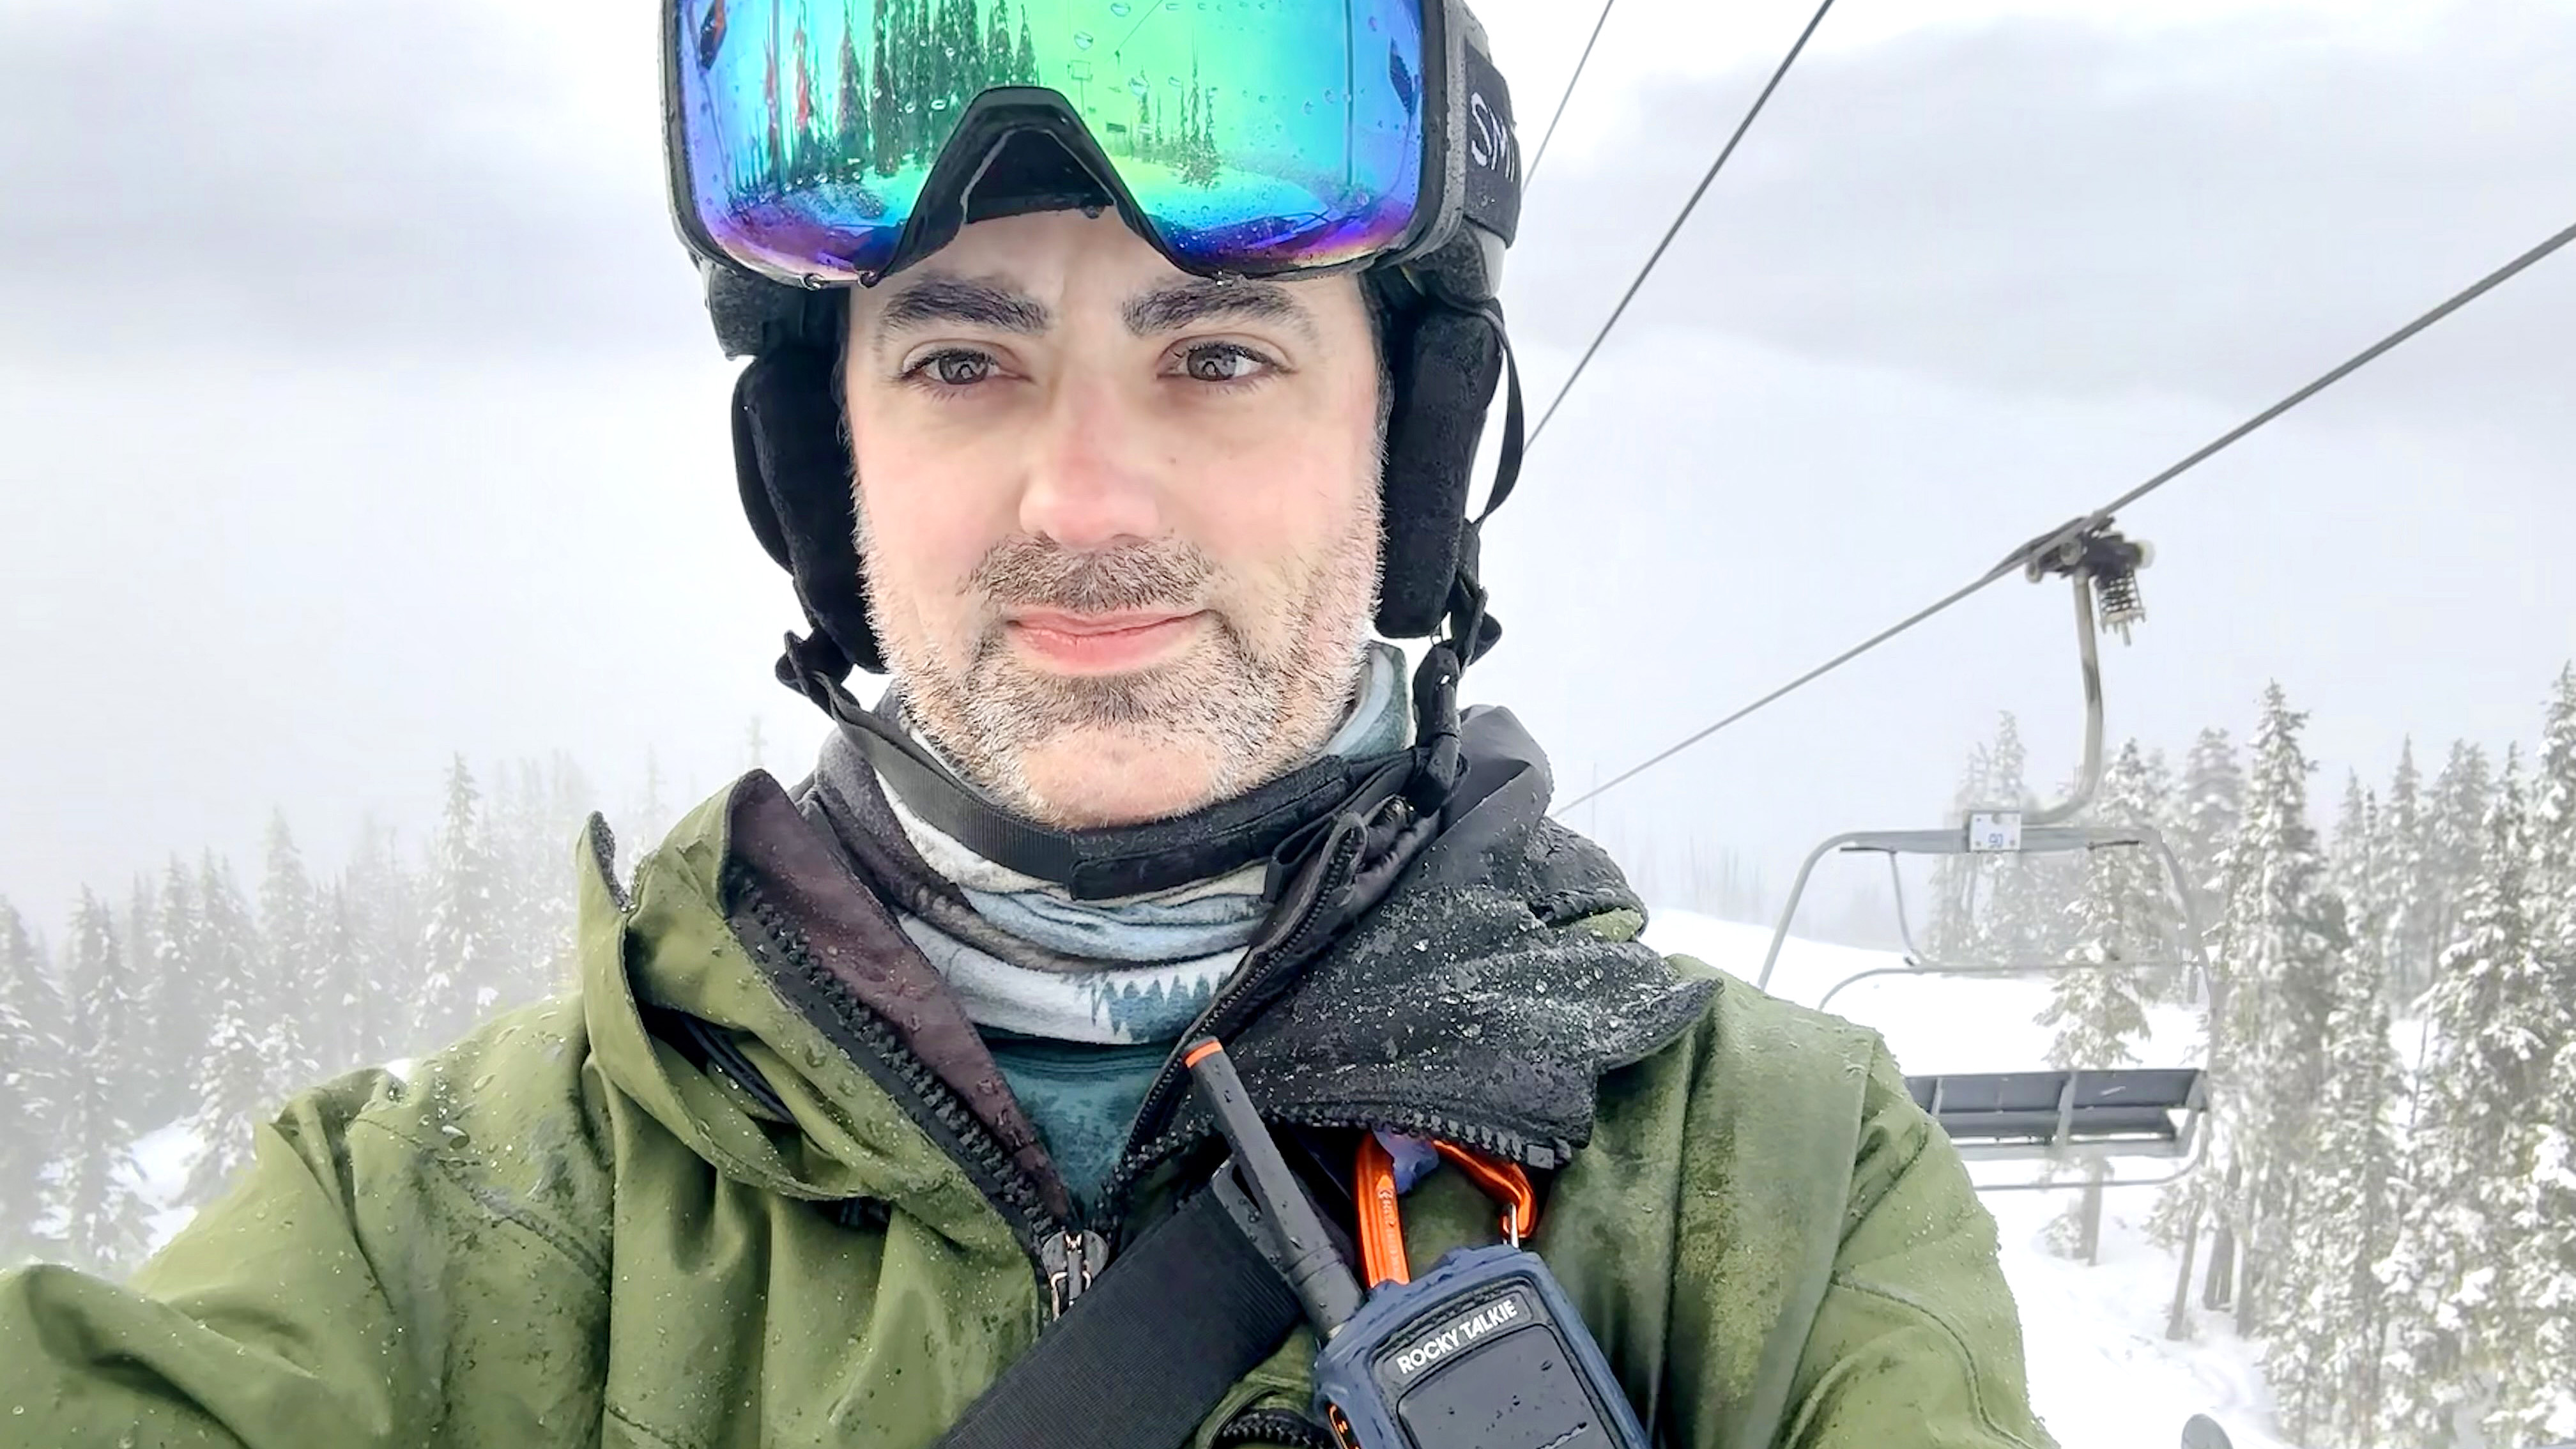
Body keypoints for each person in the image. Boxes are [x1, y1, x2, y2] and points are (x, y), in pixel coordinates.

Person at [0, 2, 2057, 1445]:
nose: (1082, 500)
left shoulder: (1770, 1194)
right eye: (962, 365)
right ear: (824, 473)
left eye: (1219, 356)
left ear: (1409, 442)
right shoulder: (474, 1219)